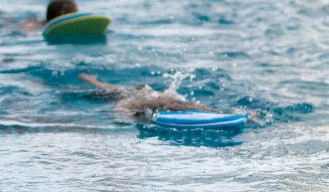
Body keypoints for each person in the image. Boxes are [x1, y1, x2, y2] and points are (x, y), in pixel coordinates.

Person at [78, 73, 257, 122]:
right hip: (137, 102)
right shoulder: (132, 100)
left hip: (137, 103)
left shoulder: (130, 101)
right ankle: (93, 81)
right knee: (173, 101)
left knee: (171, 101)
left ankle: (93, 81)